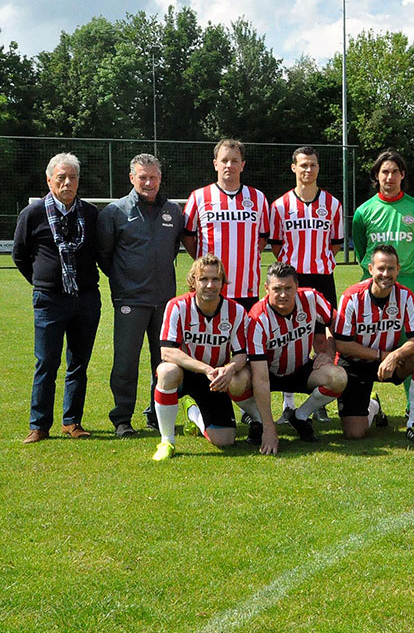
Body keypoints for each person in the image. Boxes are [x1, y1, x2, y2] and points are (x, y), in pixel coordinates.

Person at [14, 152, 101, 443]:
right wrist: (42, 283)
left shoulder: (90, 214)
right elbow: (20, 256)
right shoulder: (33, 213)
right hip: (49, 300)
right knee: (46, 363)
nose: (67, 182)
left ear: (78, 181)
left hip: (86, 300)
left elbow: (100, 254)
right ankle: (39, 425)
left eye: (72, 177)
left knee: (79, 363)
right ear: (49, 180)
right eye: (61, 177)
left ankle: (72, 422)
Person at [97, 153, 183, 437]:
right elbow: (105, 256)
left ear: (160, 179)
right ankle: (122, 419)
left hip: (164, 301)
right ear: (132, 178)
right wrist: (126, 281)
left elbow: (170, 251)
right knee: (125, 362)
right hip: (129, 301)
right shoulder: (114, 212)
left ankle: (156, 414)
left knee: (163, 362)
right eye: (142, 177)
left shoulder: (173, 211)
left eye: (153, 177)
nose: (148, 182)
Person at [269, 146, 344, 422]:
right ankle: (288, 404)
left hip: (322, 277)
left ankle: (318, 400)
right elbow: (277, 245)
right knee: (288, 339)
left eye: (312, 165)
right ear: (294, 168)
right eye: (303, 165)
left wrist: (316, 261)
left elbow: (335, 243)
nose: (308, 170)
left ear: (318, 168)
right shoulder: (279, 206)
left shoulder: (332, 204)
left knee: (322, 337)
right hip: (292, 280)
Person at [152, 255, 252, 460]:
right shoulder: (177, 306)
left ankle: (193, 413)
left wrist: (229, 369)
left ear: (223, 282)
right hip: (186, 374)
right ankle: (167, 441)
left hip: (215, 379)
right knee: (166, 370)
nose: (210, 285)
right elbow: (167, 352)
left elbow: (241, 354)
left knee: (225, 441)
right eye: (203, 279)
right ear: (193, 281)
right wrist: (205, 368)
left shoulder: (236, 311)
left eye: (216, 279)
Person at [244, 262, 348, 454]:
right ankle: (259, 421)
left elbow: (337, 323)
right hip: (268, 373)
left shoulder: (311, 298)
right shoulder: (257, 319)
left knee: (338, 377)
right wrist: (270, 428)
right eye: (277, 289)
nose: (283, 294)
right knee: (237, 380)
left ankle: (300, 416)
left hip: (301, 368)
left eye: (288, 288)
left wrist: (328, 352)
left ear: (297, 286)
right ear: (266, 288)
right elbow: (260, 377)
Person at [334, 246, 414, 442]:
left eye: (390, 269)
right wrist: (383, 356)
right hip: (354, 364)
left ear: (398, 269)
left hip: (389, 361)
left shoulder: (405, 295)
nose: (385, 274)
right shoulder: (352, 296)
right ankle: (373, 407)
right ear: (370, 269)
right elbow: (342, 344)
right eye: (380, 269)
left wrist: (395, 356)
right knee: (354, 433)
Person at [182, 139, 270, 311]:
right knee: (207, 335)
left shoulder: (258, 198)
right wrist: (204, 262)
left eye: (235, 161)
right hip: (208, 285)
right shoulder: (199, 196)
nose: (229, 165)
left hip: (246, 287)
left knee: (243, 336)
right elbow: (187, 236)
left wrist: (244, 257)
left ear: (242, 165)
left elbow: (263, 238)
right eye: (224, 160)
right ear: (215, 164)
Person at [351, 150, 414, 301]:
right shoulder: (363, 211)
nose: (390, 177)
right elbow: (360, 249)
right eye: (385, 172)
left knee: (408, 324)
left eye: (395, 172)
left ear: (403, 175)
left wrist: (407, 273)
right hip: (372, 281)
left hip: (406, 279)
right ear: (376, 175)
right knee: (369, 323)